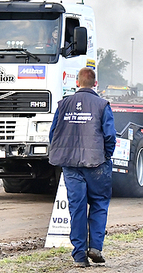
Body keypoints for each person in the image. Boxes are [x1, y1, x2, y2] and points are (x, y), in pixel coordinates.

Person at [48, 67, 117, 268]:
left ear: (77, 83)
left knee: (77, 207)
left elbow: (54, 134)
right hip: (96, 163)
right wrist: (106, 155)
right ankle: (95, 247)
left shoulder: (63, 104)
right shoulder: (102, 105)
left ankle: (79, 256)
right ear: (95, 84)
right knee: (99, 203)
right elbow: (110, 136)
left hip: (70, 164)